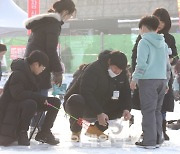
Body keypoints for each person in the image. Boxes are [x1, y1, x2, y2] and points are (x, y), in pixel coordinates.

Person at [24, 0, 76, 130]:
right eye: (70, 15)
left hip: (31, 64)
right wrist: (58, 72)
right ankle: (38, 128)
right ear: (65, 12)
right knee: (42, 97)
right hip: (40, 66)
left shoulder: (43, 23)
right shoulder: (53, 24)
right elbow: (50, 49)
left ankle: (32, 127)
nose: (69, 18)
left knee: (34, 96)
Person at [64, 50, 132, 142]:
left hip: (101, 103)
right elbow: (86, 92)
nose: (117, 72)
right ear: (109, 62)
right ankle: (76, 131)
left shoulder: (122, 73)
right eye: (115, 68)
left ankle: (95, 129)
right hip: (81, 104)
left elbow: (126, 92)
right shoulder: (93, 69)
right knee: (76, 100)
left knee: (120, 106)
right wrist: (99, 112)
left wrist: (126, 109)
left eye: (120, 70)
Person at [131, 8, 177, 140]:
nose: (160, 24)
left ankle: (150, 137)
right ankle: (157, 136)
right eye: (158, 20)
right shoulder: (161, 41)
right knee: (156, 109)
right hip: (162, 78)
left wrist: (135, 78)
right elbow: (136, 58)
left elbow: (141, 62)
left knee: (150, 110)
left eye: (162, 21)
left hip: (149, 78)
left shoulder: (146, 40)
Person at [0, 50, 61, 146]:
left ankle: (44, 132)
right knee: (31, 103)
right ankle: (22, 132)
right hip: (12, 107)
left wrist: (40, 99)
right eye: (43, 67)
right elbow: (17, 94)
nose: (43, 70)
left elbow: (32, 95)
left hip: (28, 103)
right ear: (36, 64)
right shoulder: (18, 74)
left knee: (55, 102)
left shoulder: (33, 75)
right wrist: (39, 98)